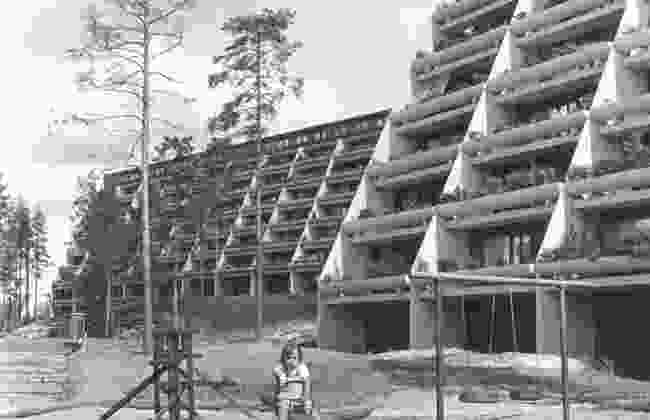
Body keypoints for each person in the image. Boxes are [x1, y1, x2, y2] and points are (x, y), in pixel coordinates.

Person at [272, 342, 313, 420]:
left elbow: (307, 383)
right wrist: (276, 398)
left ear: (299, 359)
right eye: (288, 358)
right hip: (284, 397)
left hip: (299, 398)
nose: (291, 361)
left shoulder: (301, 368)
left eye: (294, 358)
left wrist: (307, 399)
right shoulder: (281, 368)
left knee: (309, 410)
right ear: (283, 359)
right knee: (282, 407)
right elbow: (278, 382)